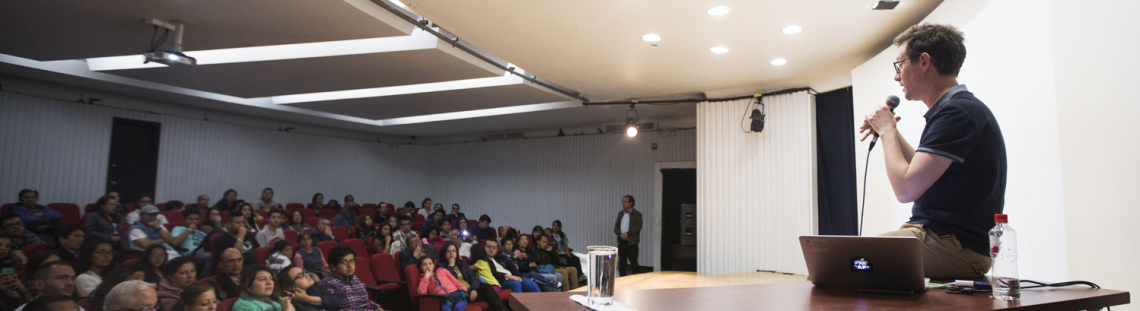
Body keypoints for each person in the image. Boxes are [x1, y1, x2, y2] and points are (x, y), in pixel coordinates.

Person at [861, 23, 1006, 279]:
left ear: (924, 61)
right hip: (943, 240)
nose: (897, 76)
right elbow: (920, 169)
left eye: (900, 65)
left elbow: (905, 189)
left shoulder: (958, 112)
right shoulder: (957, 109)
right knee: (840, 263)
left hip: (954, 245)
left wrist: (886, 133)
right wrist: (890, 130)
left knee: (838, 264)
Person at [437, 243, 505, 311]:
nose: (451, 253)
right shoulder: (441, 266)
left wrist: (474, 289)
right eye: (448, 251)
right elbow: (448, 281)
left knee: (488, 287)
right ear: (444, 254)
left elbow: (472, 277)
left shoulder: (462, 263)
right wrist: (450, 266)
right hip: (460, 292)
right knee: (489, 297)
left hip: (471, 288)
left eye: (453, 251)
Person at [314, 246, 382, 311]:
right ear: (333, 266)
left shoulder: (354, 279)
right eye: (344, 262)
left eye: (352, 261)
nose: (349, 265)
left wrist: (376, 307)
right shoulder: (327, 284)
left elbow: (364, 301)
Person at [474, 240, 540, 293]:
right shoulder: (482, 261)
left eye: (494, 247)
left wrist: (518, 277)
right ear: (484, 247)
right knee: (516, 284)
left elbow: (512, 267)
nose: (491, 249)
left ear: (497, 249)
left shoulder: (500, 257)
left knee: (532, 284)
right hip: (502, 281)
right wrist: (511, 277)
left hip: (513, 278)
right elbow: (493, 273)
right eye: (489, 247)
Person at [276, 266, 341, 311]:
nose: (307, 275)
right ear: (290, 287)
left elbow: (338, 303)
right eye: (300, 276)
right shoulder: (292, 304)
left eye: (304, 272)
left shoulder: (314, 287)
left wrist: (307, 298)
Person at [614, 195, 642, 276]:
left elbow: (638, 227)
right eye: (622, 201)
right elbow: (616, 227)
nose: (623, 203)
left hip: (631, 242)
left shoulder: (637, 214)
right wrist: (620, 234)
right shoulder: (620, 214)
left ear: (631, 203)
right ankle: (623, 280)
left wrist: (627, 234)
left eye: (625, 202)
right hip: (621, 241)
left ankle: (636, 281)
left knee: (633, 263)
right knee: (622, 264)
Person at [0, 236, 31, 307]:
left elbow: (26, 279)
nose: (3, 248)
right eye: (0, 245)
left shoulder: (10, 262)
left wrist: (24, 260)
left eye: (7, 246)